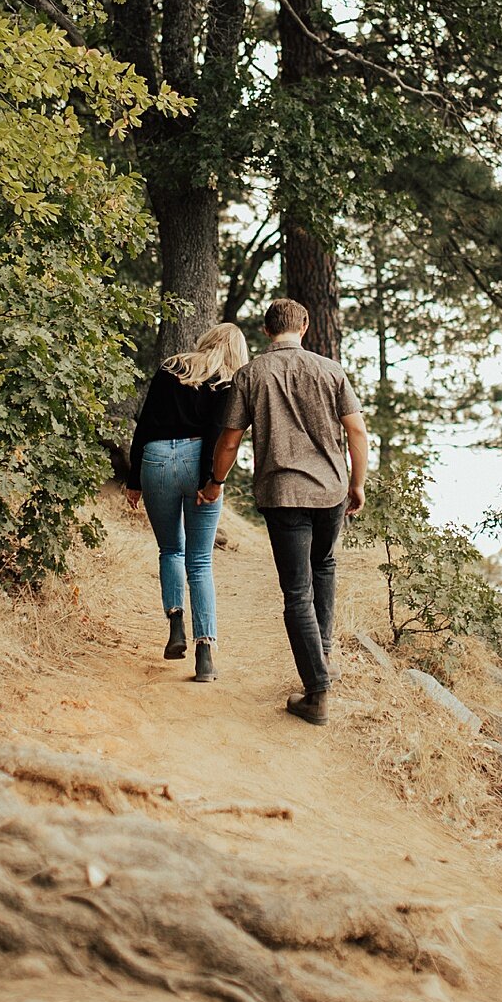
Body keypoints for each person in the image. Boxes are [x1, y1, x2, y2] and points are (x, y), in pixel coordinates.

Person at [202, 298, 368, 726]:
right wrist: (356, 484)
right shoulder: (330, 370)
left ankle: (317, 692)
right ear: (306, 326)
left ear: (266, 330)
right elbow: (356, 430)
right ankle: (324, 659)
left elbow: (230, 440)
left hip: (282, 493)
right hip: (329, 490)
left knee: (297, 591)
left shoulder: (251, 373)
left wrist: (215, 482)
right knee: (325, 568)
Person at [126, 323, 249, 682]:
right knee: (200, 561)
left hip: (156, 459)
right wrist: (210, 480)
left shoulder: (173, 367)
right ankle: (205, 655)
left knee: (170, 550)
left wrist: (134, 479)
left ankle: (176, 625)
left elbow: (144, 422)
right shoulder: (228, 382)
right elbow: (217, 434)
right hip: (198, 460)